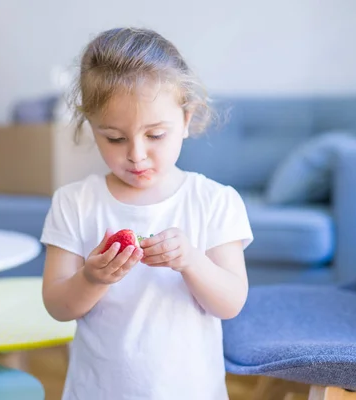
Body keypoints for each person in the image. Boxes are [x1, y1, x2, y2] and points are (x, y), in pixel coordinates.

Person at [41, 27, 253, 400]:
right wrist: (92, 277)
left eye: (155, 135)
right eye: (115, 138)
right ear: (91, 127)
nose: (136, 155)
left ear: (186, 120)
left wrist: (191, 260)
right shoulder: (74, 202)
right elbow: (57, 306)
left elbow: (231, 302)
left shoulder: (214, 201)